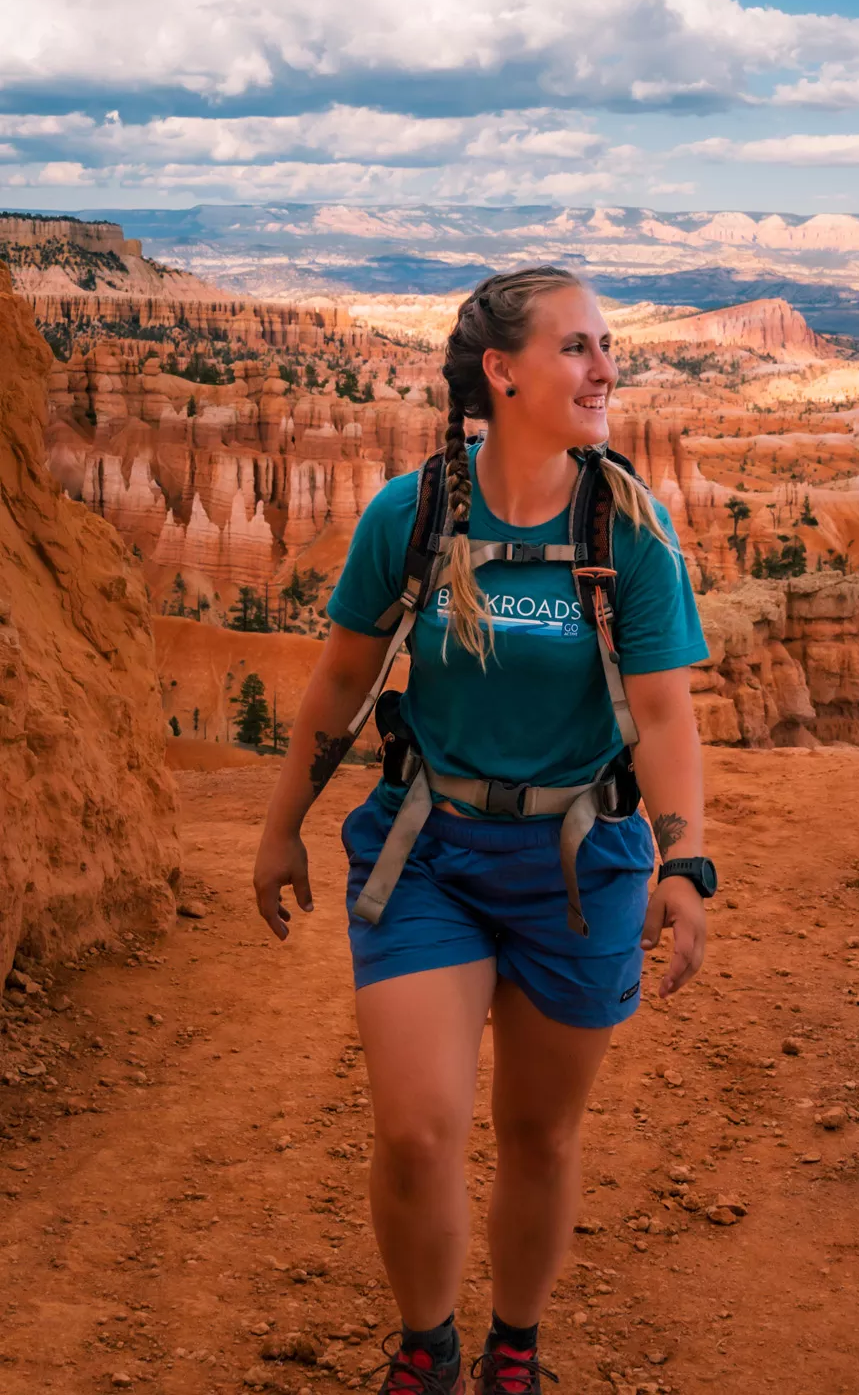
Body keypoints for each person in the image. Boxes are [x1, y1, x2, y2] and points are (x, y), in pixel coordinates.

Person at [253, 267, 714, 1394]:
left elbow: (661, 712)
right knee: (416, 1131)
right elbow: (340, 685)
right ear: (501, 371)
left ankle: (517, 1346)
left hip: (580, 865)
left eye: (608, 346)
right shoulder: (412, 514)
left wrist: (685, 860)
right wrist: (281, 829)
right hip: (432, 854)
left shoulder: (629, 532)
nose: (605, 368)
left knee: (540, 1135)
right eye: (577, 348)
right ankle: (429, 1349)